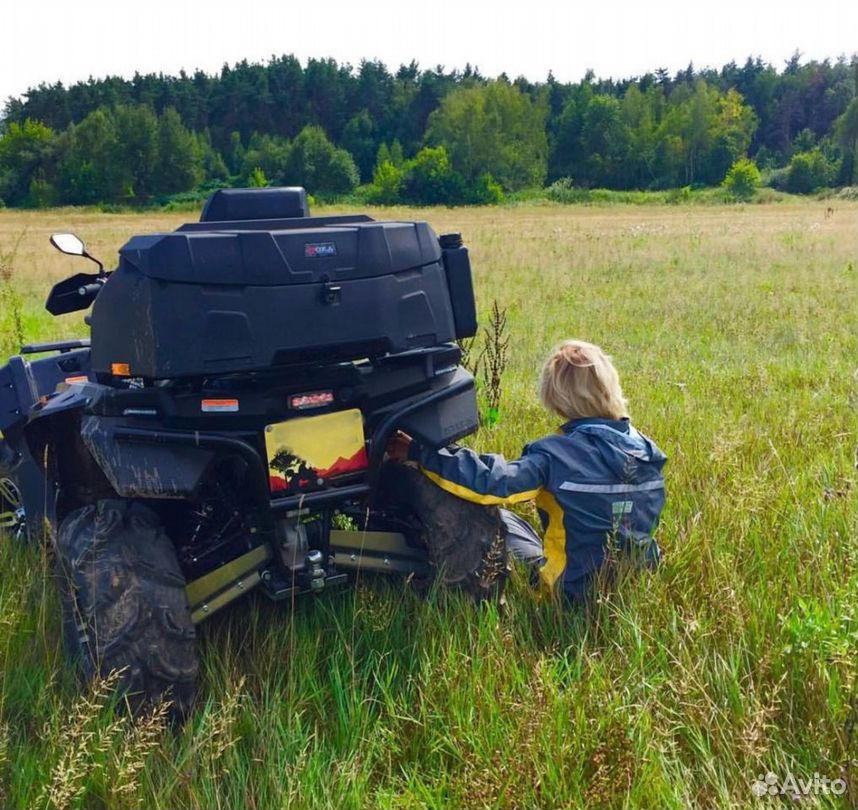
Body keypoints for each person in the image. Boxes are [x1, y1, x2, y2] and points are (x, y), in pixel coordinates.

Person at [387, 339, 666, 603]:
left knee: (505, 520)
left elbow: (491, 483)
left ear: (557, 398)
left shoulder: (554, 455)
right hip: (636, 588)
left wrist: (419, 452)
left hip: (570, 596)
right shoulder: (649, 451)